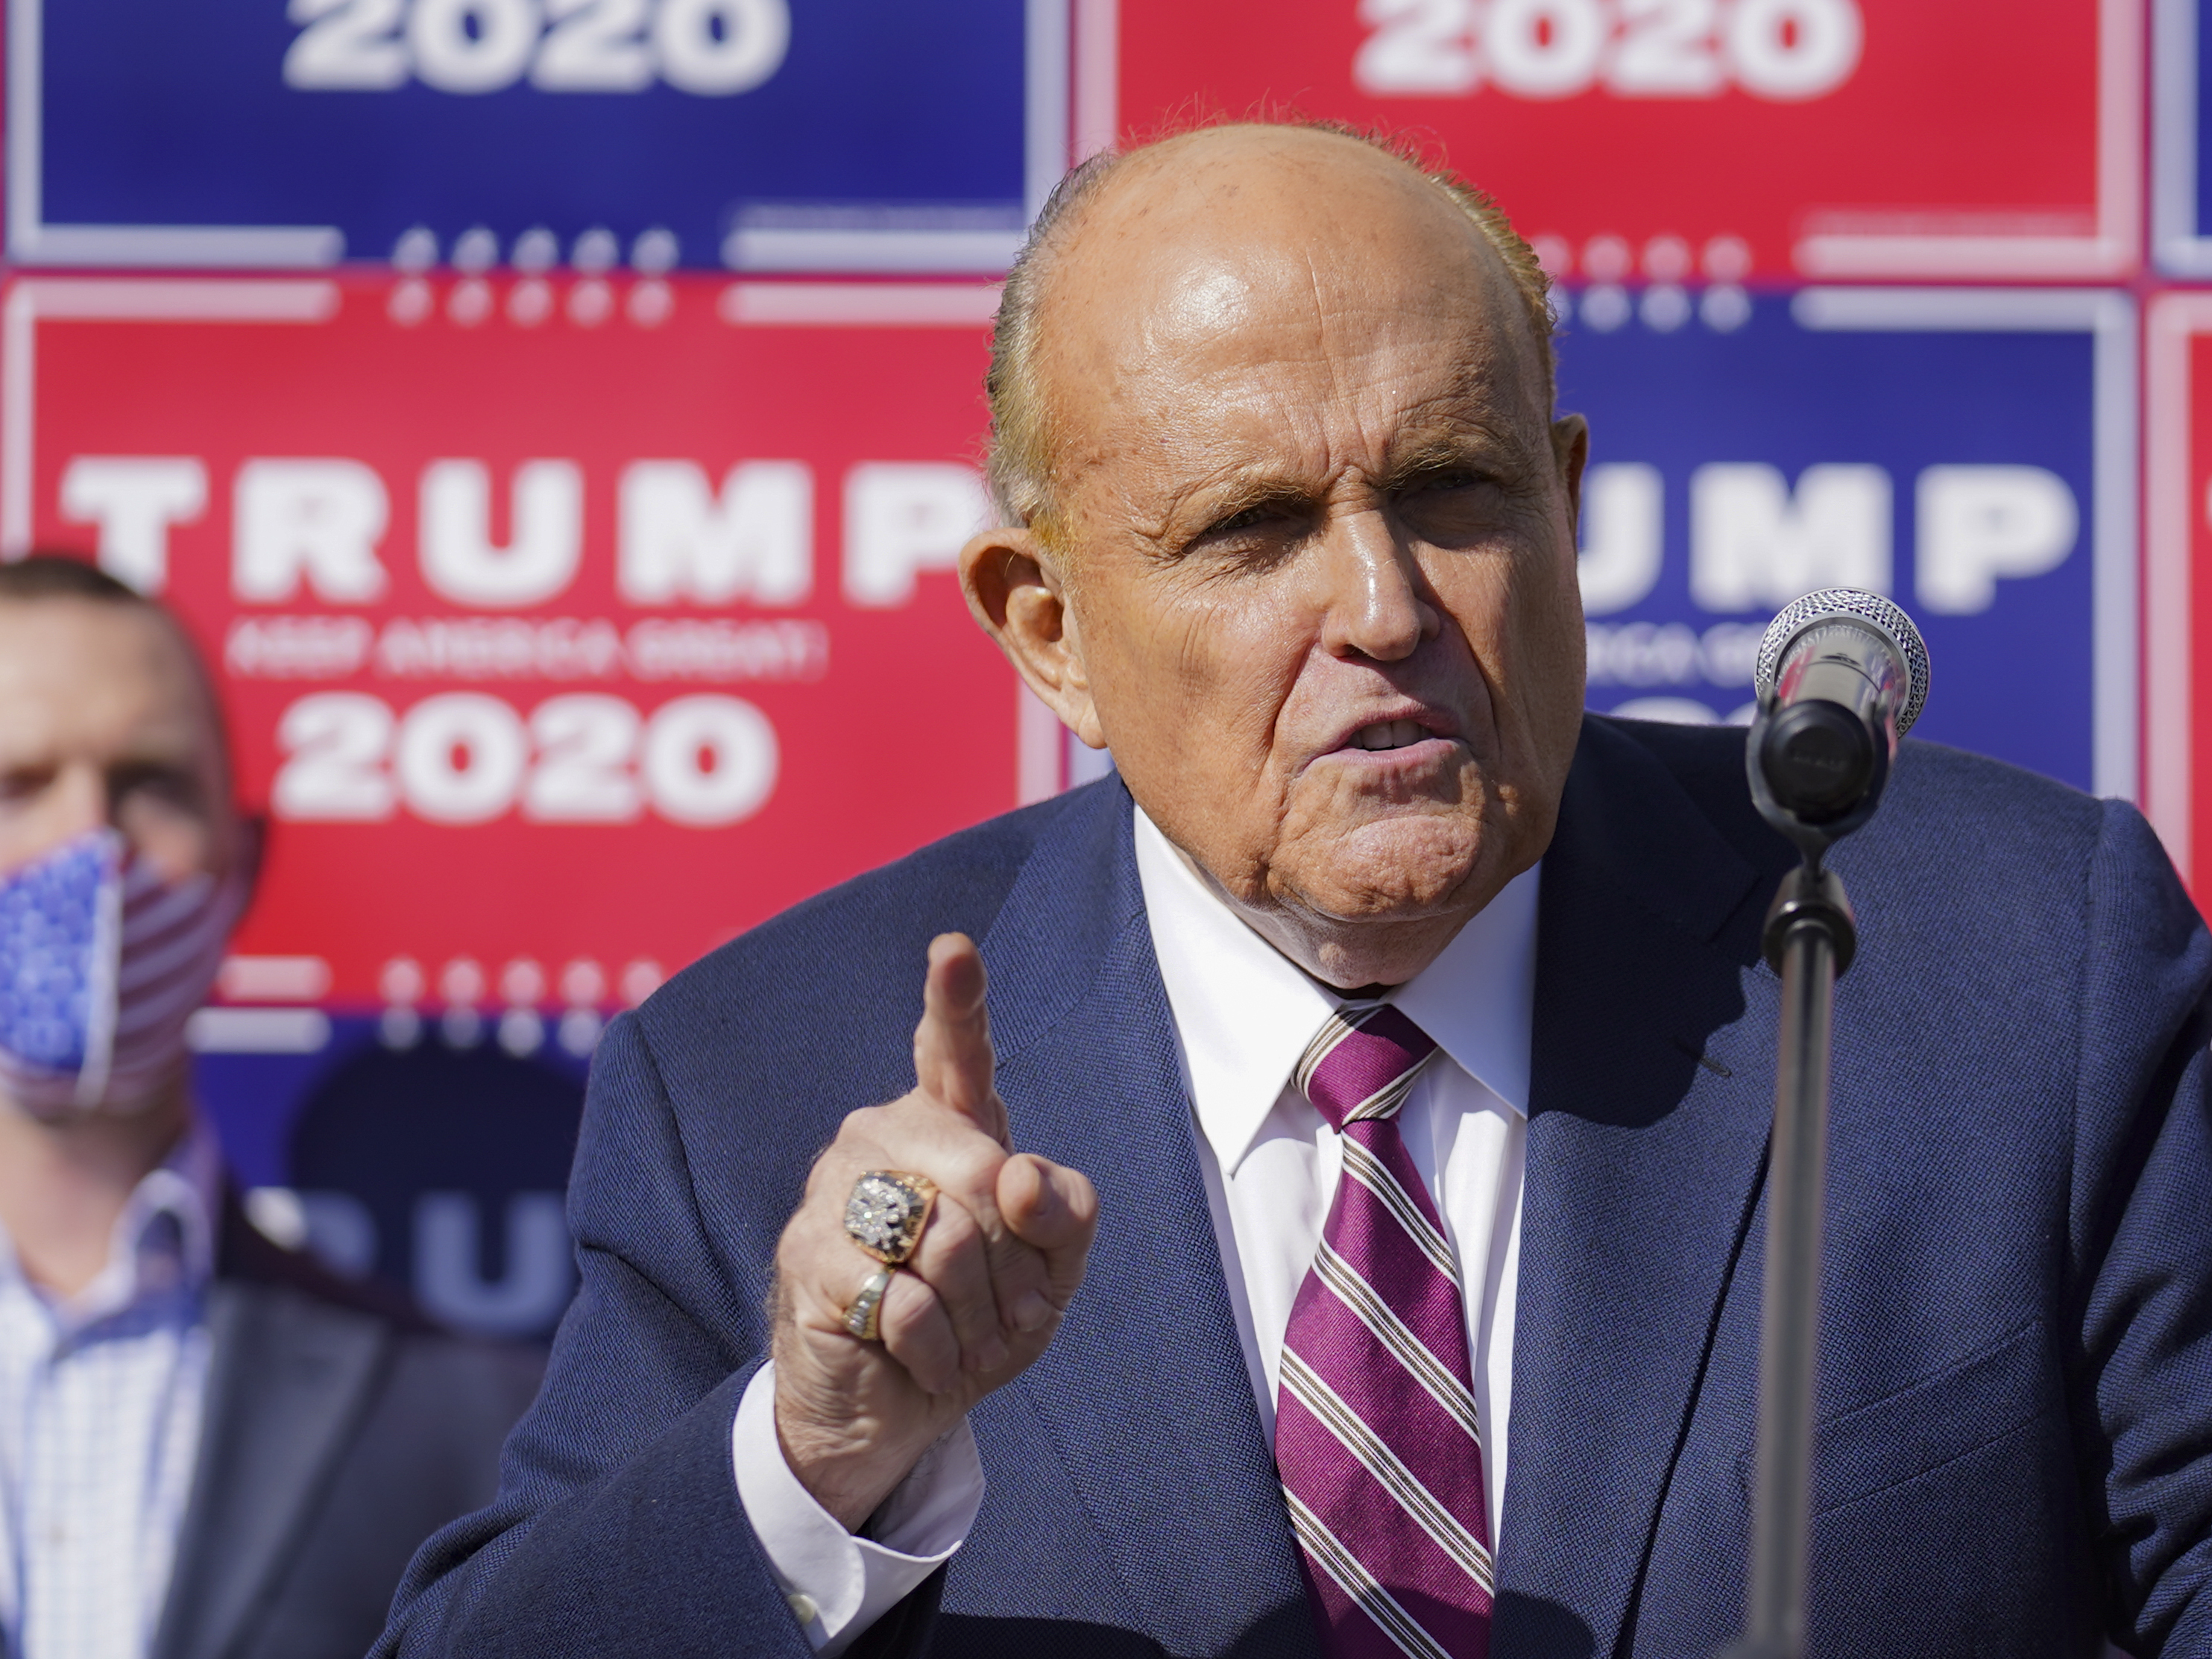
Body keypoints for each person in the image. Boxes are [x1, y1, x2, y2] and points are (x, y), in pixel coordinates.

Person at [379, 122, 2212, 1659]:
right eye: (1250, 533)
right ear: (1051, 628)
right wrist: (816, 1450)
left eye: (1453, 490)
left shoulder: (2011, 966)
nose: (1385, 609)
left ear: (1563, 508)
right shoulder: (758, 1083)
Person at [0, 554, 543, 1659]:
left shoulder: (465, 1418)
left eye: (151, 782)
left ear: (240, 866)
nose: (89, 845)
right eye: (16, 783)